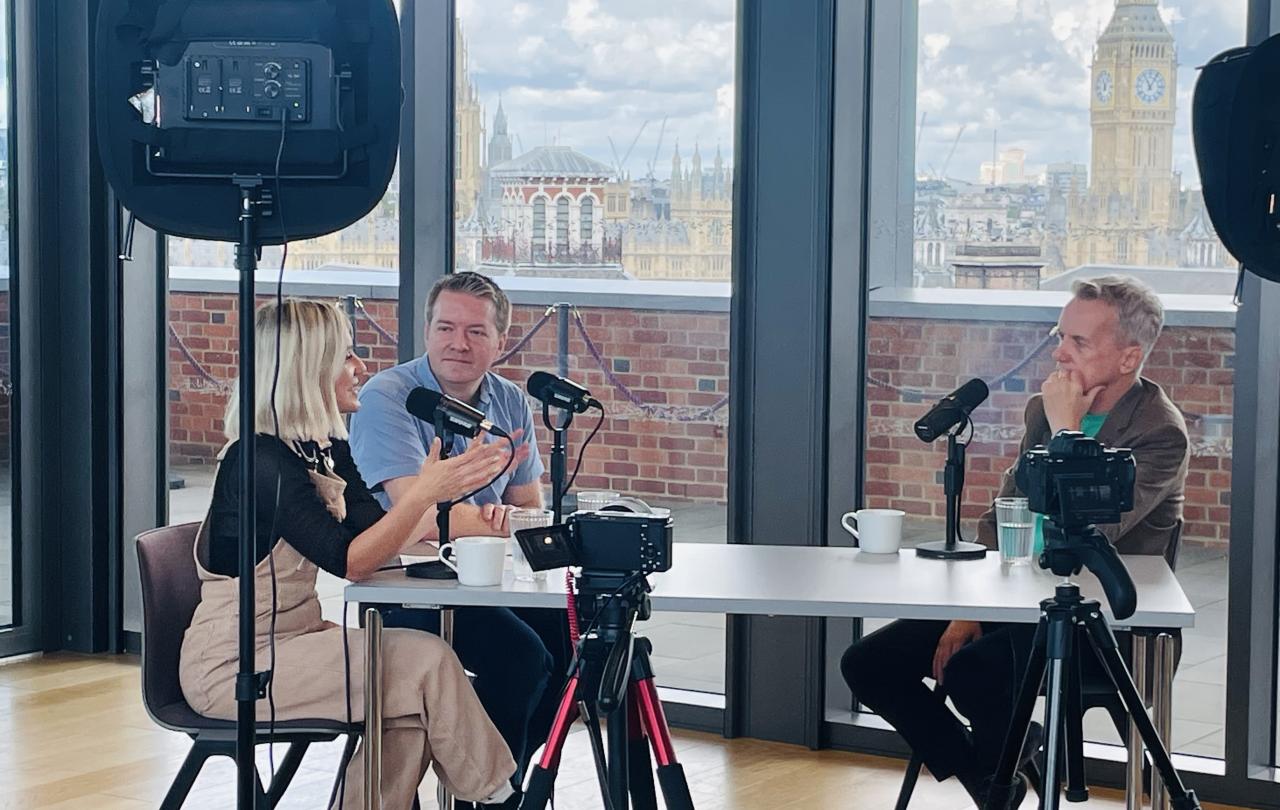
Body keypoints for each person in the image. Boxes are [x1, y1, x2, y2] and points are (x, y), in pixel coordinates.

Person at [841, 275, 1190, 804]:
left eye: (1079, 342)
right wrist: (971, 606)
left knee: (971, 673)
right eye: (1060, 335)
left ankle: (1000, 772)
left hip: (1104, 622)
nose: (1060, 353)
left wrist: (1067, 430)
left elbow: (1088, 533)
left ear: (1127, 358)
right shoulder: (1042, 412)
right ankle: (992, 776)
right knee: (868, 663)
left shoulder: (1158, 432)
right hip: (1014, 596)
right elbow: (1003, 515)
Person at [178, 299, 520, 810]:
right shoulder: (260, 460)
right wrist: (426, 493)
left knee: (405, 711)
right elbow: (352, 560)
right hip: (236, 664)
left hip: (297, 638)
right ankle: (502, 798)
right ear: (308, 367)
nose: (361, 367)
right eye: (347, 356)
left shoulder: (323, 447)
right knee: (429, 662)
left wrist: (446, 509)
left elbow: (374, 530)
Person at [349, 271, 571, 800]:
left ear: (500, 341)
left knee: (574, 650)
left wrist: (481, 521)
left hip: (485, 579)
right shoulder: (389, 396)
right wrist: (483, 520)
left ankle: (495, 780)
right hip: (405, 585)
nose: (458, 343)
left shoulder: (509, 400)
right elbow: (416, 518)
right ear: (426, 331)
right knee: (521, 658)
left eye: (475, 332)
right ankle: (492, 792)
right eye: (446, 328)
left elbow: (528, 510)